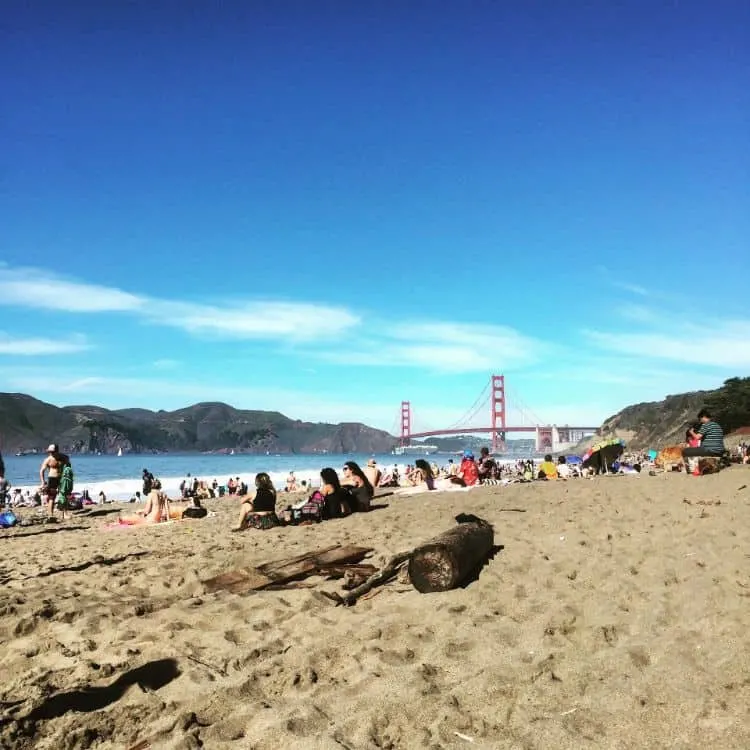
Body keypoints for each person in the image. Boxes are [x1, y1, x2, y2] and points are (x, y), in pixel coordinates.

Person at [39, 443, 71, 519]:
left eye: (53, 451)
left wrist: (69, 477)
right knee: (51, 497)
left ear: (57, 451)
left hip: (63, 478)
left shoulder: (64, 457)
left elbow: (69, 467)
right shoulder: (48, 460)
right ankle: (51, 515)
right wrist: (43, 482)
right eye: (50, 452)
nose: (51, 453)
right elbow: (41, 471)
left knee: (64, 496)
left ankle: (65, 514)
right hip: (52, 478)